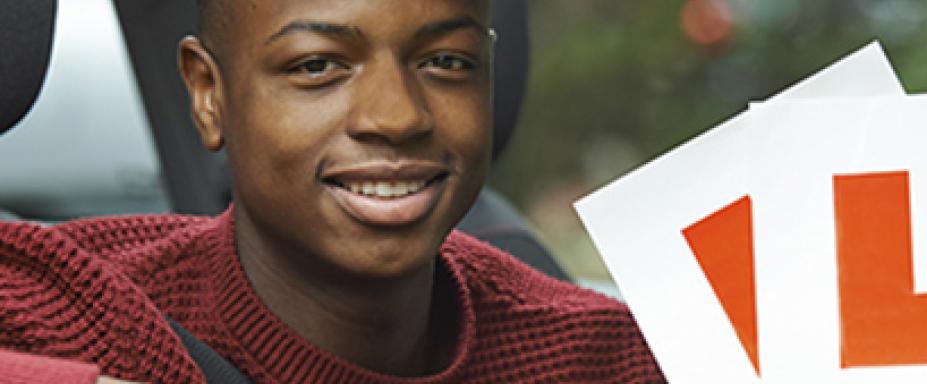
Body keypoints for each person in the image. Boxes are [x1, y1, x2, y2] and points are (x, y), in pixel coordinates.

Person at [0, 0, 664, 382]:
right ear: (208, 93)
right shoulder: (79, 304)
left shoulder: (602, 355)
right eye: (317, 66)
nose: (397, 116)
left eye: (446, 62)